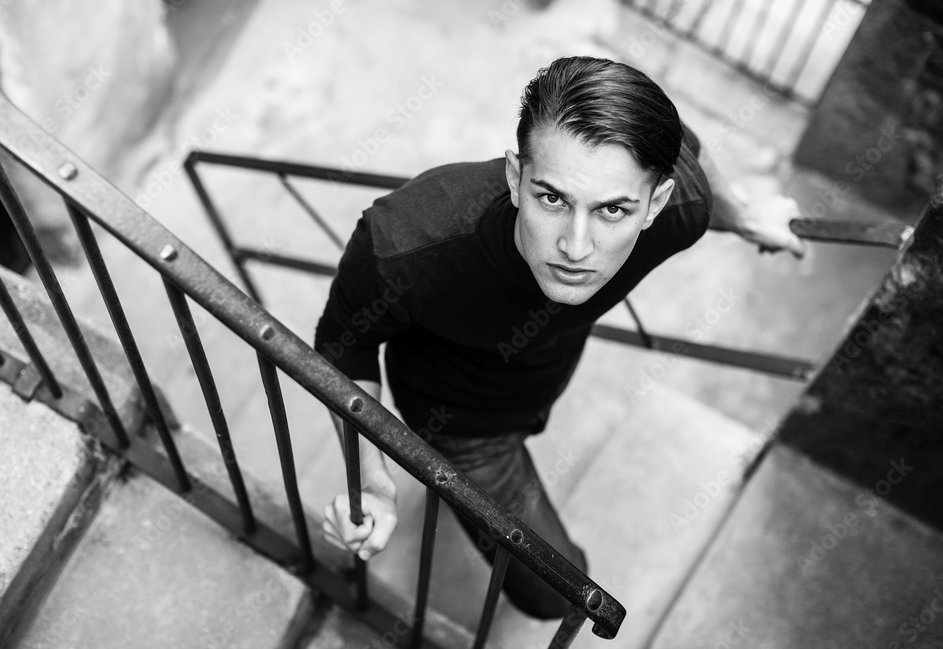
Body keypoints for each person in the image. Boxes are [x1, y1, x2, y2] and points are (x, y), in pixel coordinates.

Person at [314, 55, 803, 619]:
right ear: (514, 177)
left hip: (544, 373)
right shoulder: (404, 247)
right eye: (553, 198)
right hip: (462, 421)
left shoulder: (683, 212)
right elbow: (340, 347)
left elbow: (687, 155)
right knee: (554, 595)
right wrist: (372, 478)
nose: (576, 246)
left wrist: (743, 217)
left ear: (656, 205)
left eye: (613, 210)